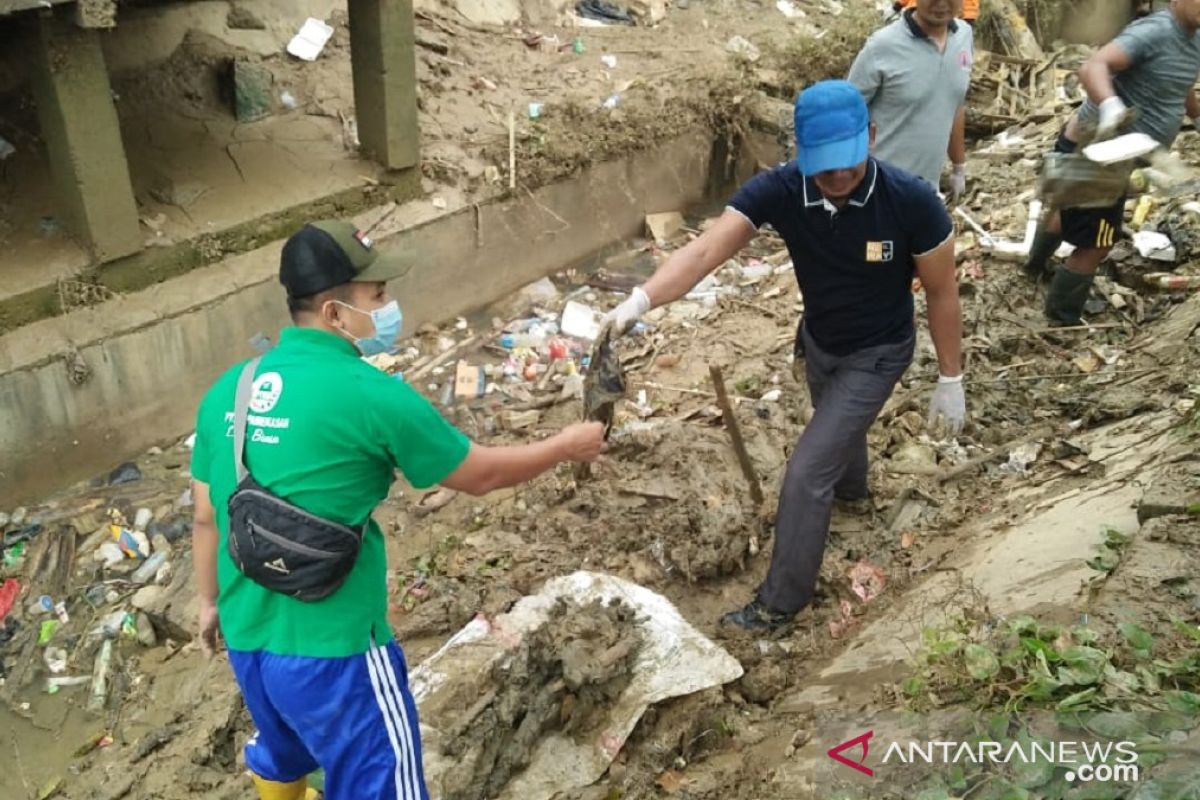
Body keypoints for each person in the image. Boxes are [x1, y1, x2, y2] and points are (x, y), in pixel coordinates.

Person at [190, 220, 606, 800]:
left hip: (246, 634)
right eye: (377, 295)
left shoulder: (230, 389)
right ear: (335, 314)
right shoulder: (370, 394)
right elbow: (480, 475)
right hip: (335, 652)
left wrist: (209, 603)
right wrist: (566, 446)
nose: (388, 307)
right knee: (383, 781)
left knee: (283, 750)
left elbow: (207, 516)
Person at [605, 81, 965, 632]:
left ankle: (780, 603)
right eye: (824, 168)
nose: (838, 179)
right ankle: (854, 495)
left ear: (870, 136)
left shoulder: (911, 201)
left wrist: (951, 376)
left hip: (880, 349)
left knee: (805, 473)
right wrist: (641, 299)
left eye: (847, 163)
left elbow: (942, 291)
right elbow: (704, 250)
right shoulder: (781, 190)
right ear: (798, 152)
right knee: (837, 431)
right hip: (821, 341)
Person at [1024, 0, 1200, 325]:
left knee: (1066, 209)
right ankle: (1061, 320)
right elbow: (1093, 67)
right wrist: (1109, 104)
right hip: (1100, 152)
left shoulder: (1194, 37)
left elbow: (1181, 81)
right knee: (1098, 243)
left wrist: (1196, 115)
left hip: (1113, 153)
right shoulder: (1154, 31)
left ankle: (1033, 267)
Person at [852, 0, 974, 198]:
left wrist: (959, 166)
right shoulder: (882, 46)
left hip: (925, 193)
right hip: (878, 191)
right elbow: (845, 114)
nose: (941, 3)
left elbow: (955, 104)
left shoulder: (964, 36)